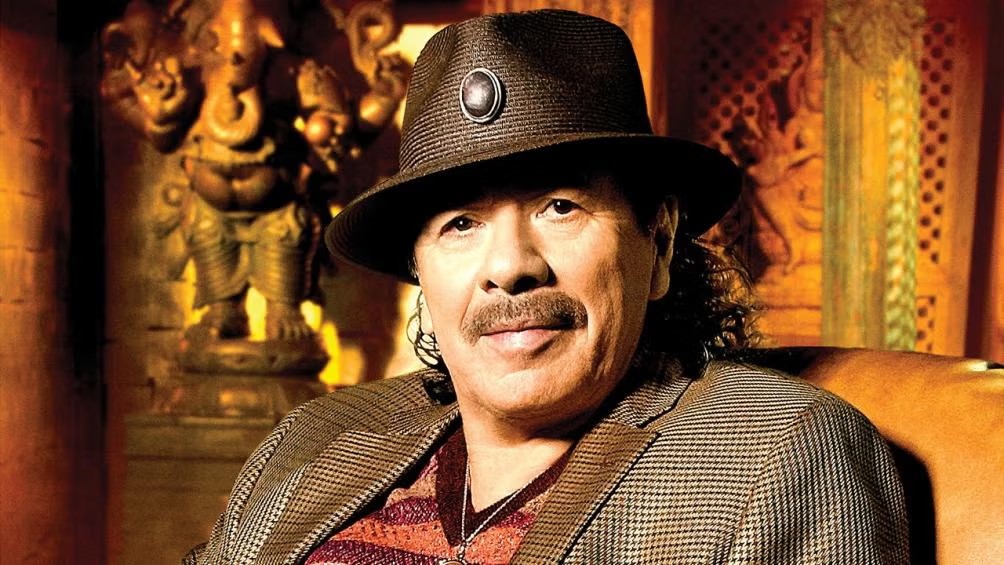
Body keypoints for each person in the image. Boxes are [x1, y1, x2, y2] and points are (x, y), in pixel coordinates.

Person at [186, 9, 908, 564]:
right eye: (461, 223)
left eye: (559, 206)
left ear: (657, 241)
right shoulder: (317, 437)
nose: (509, 266)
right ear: (420, 273)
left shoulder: (774, 454)